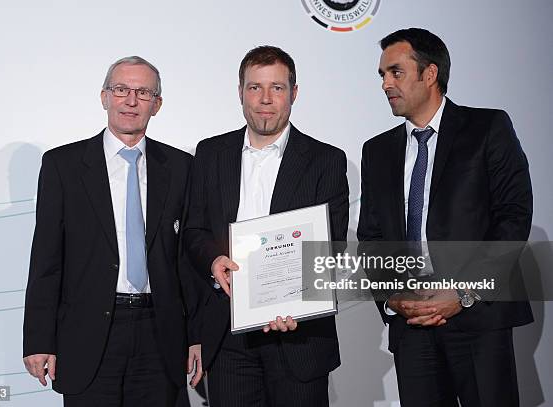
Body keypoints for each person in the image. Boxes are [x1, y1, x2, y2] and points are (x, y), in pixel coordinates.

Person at [357, 28, 533, 406]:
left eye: (396, 72)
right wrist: (393, 298)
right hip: (412, 325)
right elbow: (372, 238)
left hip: (478, 320)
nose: (386, 83)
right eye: (382, 75)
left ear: (430, 74)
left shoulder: (488, 128)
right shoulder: (377, 151)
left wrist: (465, 293)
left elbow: (512, 219)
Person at [22, 56, 203, 407]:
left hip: (160, 333)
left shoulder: (181, 167)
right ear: (104, 97)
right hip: (88, 334)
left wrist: (197, 335)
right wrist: (38, 339)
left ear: (158, 104)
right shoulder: (64, 165)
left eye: (143, 92)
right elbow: (46, 259)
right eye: (121, 89)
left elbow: (187, 261)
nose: (131, 100)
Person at [184, 45, 349, 407]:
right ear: (240, 92)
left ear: (294, 93)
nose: (265, 99)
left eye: (277, 87)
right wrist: (213, 260)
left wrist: (299, 302)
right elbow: (193, 232)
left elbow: (331, 247)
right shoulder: (210, 154)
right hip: (228, 337)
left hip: (298, 334)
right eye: (254, 87)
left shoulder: (327, 160)